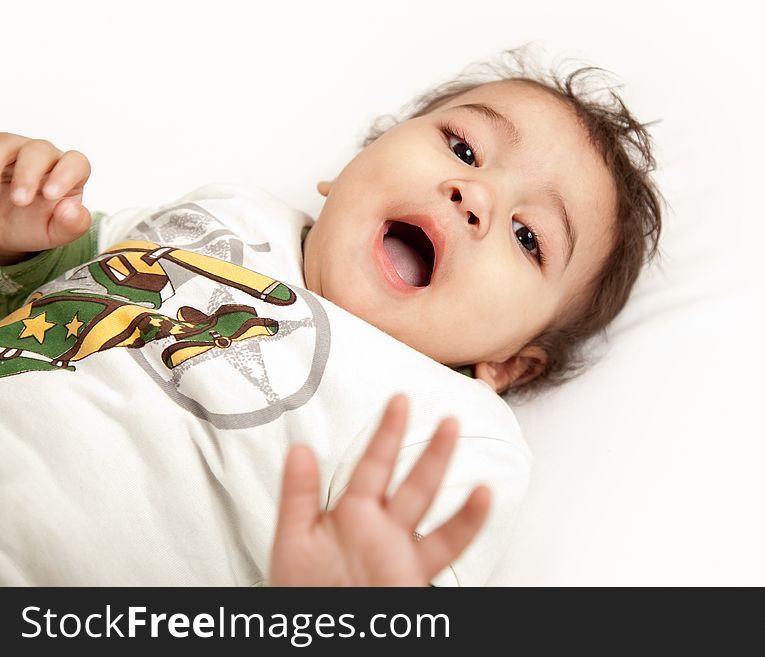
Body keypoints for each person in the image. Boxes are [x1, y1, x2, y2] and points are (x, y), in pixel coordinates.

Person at [0, 49, 661, 586]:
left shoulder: (453, 429)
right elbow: (67, 289)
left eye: (527, 236)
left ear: (511, 361)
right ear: (350, 168)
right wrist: (27, 232)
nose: (476, 194)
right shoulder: (226, 212)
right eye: (463, 149)